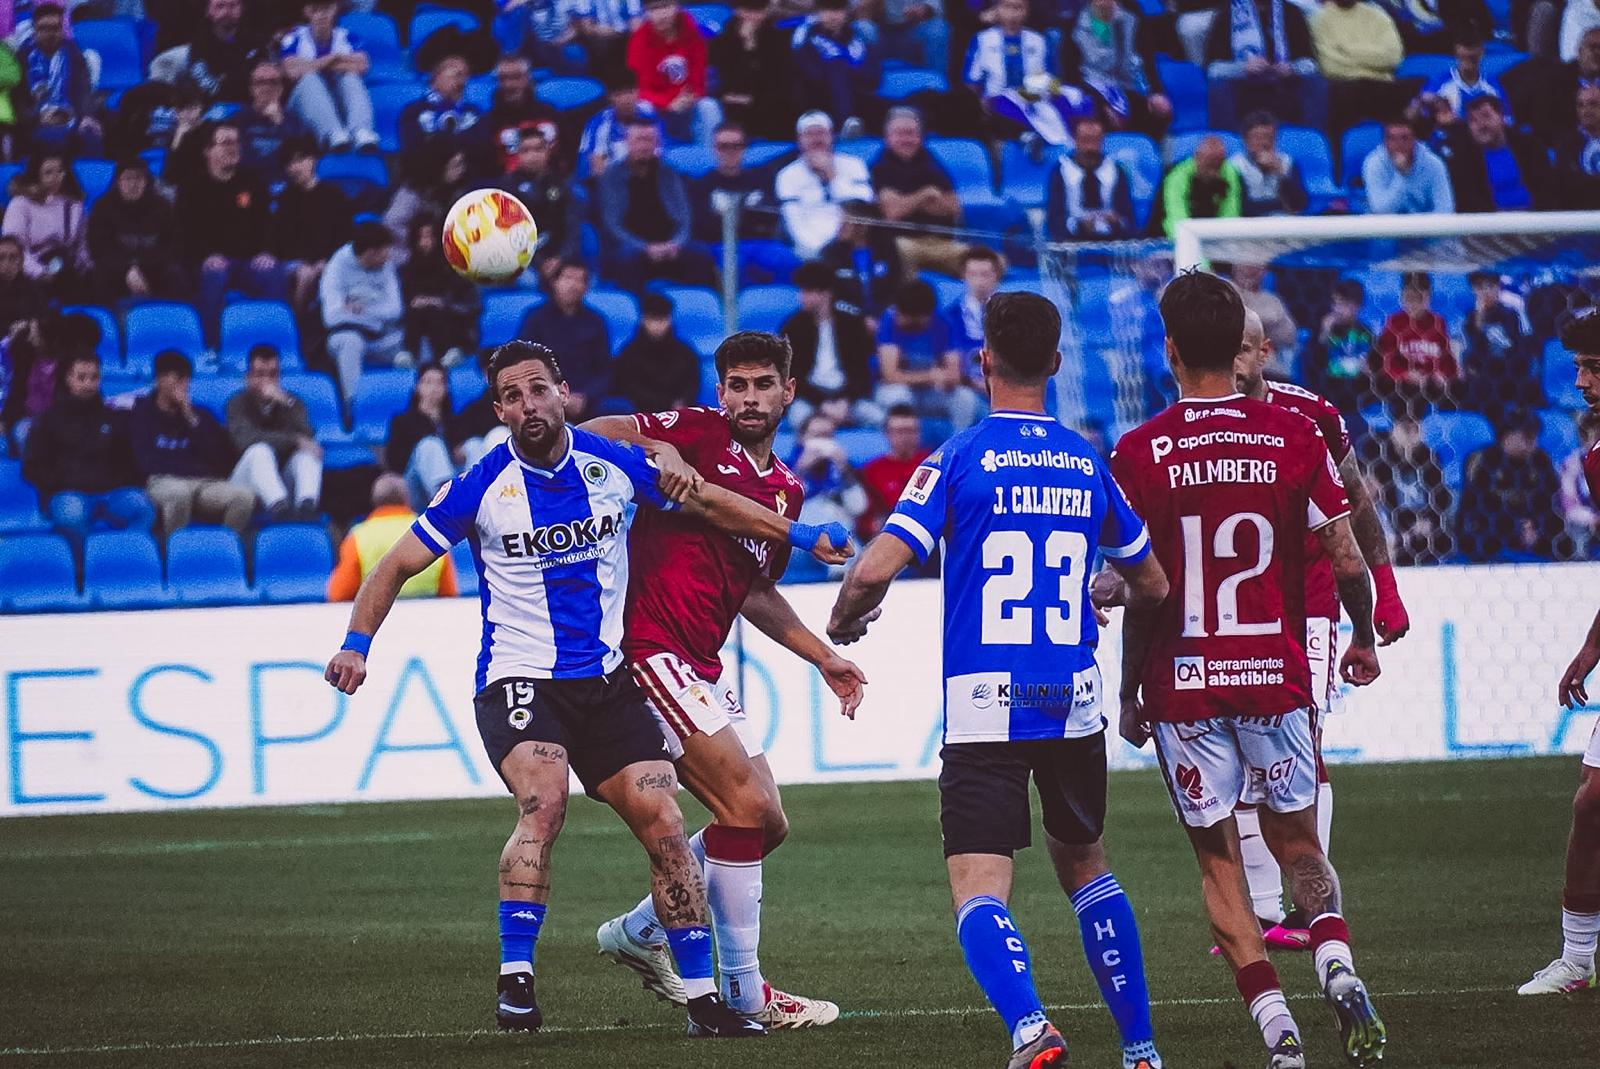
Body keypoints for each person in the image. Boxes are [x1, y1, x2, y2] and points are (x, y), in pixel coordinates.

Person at [322, 339, 851, 1035]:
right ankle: (536, 983)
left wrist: (819, 629)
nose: (528, 406)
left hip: (625, 676)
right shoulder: (493, 481)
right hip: (554, 670)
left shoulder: (746, 481)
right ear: (500, 409)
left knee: (729, 820)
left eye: (539, 390)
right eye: (513, 396)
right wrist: (357, 644)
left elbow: (734, 546)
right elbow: (394, 564)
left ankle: (671, 963)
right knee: (551, 803)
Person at [827, 290, 1169, 1069]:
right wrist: (1103, 588)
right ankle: (1141, 1049)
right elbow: (1151, 582)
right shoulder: (1087, 460)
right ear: (1055, 363)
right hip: (1072, 699)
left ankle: (1030, 1027)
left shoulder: (958, 455)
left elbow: (876, 566)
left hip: (985, 707)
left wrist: (847, 619)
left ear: (983, 361)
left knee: (980, 887)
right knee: (1088, 869)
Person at [1106, 270, 1385, 1069]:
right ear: (1240, 349)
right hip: (1275, 670)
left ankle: (1279, 1034)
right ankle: (1335, 962)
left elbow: (1142, 587)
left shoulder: (1140, 450)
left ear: (1167, 351)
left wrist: (1129, 691)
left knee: (1220, 859)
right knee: (1298, 840)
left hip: (1186, 684)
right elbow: (1349, 559)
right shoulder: (1294, 436)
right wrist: (1360, 634)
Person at [587, 330, 859, 1028]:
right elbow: (591, 429)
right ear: (720, 392)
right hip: (648, 648)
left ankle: (643, 930)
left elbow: (754, 591)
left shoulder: (786, 490)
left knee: (766, 820)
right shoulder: (699, 435)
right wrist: (662, 449)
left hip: (700, 663)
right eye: (735, 384)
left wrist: (822, 654)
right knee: (741, 802)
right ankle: (744, 992)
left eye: (762, 383)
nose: (747, 397)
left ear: (787, 392)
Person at [1224, 307, 1409, 948]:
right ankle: (1262, 911)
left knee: (1302, 746)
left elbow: (1356, 501)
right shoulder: (1194, 425)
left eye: (1243, 350)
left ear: (1265, 351)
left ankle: (1306, 905)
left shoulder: (1314, 416)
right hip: (1232, 612)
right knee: (1239, 761)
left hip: (1307, 604)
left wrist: (1383, 590)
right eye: (1224, 350)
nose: (1234, 362)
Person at [1536, 306, 1600, 995]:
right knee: (1591, 805)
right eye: (1580, 368)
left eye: (1594, 369)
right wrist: (1589, 647)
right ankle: (1577, 960)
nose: (1581, 382)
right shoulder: (1595, 462)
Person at [22, 350, 156, 545]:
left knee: (142, 509)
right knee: (72, 515)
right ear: (68, 379)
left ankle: (122, 562)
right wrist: (58, 483)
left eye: (94, 377)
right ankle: (85, 569)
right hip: (68, 493)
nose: (88, 384)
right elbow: (32, 466)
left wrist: (123, 481)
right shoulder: (48, 420)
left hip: (112, 492)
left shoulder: (114, 417)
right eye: (81, 378)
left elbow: (131, 459)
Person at [177, 122, 287, 344]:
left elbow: (268, 224)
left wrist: (266, 251)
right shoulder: (191, 188)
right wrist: (206, 256)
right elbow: (184, 233)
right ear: (208, 151)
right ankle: (212, 347)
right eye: (225, 143)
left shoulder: (253, 182)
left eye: (236, 142)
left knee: (272, 273)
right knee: (213, 276)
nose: (233, 148)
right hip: (211, 261)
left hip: (248, 261)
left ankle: (275, 344)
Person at [129, 350, 255, 537]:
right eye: (178, 378)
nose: (184, 384)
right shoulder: (141, 414)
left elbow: (219, 456)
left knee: (243, 497)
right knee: (179, 495)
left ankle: (222, 549)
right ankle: (174, 553)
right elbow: (144, 461)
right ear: (160, 380)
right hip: (162, 481)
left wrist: (190, 418)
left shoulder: (200, 415)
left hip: (203, 483)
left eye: (187, 378)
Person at [597, 118, 717, 290]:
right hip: (632, 246)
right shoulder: (611, 177)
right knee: (627, 259)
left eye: (649, 140)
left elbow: (685, 217)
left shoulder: (669, 173)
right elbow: (612, 225)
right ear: (627, 143)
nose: (644, 146)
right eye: (639, 140)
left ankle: (699, 311)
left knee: (701, 255)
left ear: (657, 144)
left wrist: (676, 243)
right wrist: (646, 248)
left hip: (671, 246)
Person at [965, 0, 1094, 147]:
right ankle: (1029, 136)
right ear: (997, 10)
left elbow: (1052, 79)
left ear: (1027, 11)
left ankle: (1078, 140)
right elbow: (972, 82)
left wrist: (1050, 90)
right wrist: (980, 102)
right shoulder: (982, 40)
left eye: (1019, 8)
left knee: (1075, 96)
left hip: (1032, 97)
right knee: (1003, 105)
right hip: (998, 100)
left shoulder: (1039, 40)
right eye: (1007, 7)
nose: (1013, 14)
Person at [226, 346, 323, 522]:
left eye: (272, 374)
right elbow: (245, 440)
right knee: (260, 451)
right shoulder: (236, 403)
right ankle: (281, 512)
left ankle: (307, 508)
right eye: (260, 374)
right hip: (244, 483)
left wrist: (287, 405)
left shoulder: (291, 402)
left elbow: (307, 437)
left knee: (309, 452)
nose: (267, 381)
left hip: (281, 479)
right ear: (249, 377)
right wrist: (293, 440)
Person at [328, 472, 457, 601]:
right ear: (407, 499)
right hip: (424, 616)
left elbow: (339, 594)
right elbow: (449, 592)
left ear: (374, 501)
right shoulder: (431, 531)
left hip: (379, 617)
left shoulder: (358, 537)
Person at [1456, 409, 1563, 562]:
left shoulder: (1541, 460)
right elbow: (1474, 504)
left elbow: (1550, 500)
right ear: (1507, 436)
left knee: (1560, 535)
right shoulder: (1481, 460)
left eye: (1535, 437)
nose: (1534, 443)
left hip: (1535, 528)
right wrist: (1516, 525)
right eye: (1527, 437)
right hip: (1494, 528)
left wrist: (1534, 525)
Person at [870, 107, 965, 278]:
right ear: (887, 137)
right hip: (903, 243)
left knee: (992, 261)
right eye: (900, 133)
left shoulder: (932, 163)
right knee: (900, 251)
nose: (906, 139)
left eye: (911, 133)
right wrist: (925, 195)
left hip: (942, 243)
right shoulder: (880, 167)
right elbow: (892, 212)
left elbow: (954, 208)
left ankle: (975, 304)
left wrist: (908, 202)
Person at [874, 278, 981, 430]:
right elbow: (890, 375)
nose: (899, 318)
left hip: (932, 392)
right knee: (899, 397)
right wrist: (930, 376)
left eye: (904, 316)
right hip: (897, 389)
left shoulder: (943, 322)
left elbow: (953, 374)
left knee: (965, 398)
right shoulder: (889, 320)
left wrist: (947, 379)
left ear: (923, 317)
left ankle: (958, 445)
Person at [1203, 0, 1325, 131]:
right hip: (1242, 89)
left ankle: (1313, 138)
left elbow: (1311, 64)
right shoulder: (1226, 14)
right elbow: (1212, 69)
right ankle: (1228, 142)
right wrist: (1242, 68)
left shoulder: (1291, 13)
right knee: (1218, 85)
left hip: (1284, 86)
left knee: (1316, 81)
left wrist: (1292, 68)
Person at [781, 258, 875, 427]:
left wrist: (845, 401)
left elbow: (860, 371)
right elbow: (792, 375)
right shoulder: (793, 327)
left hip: (847, 398)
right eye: (802, 291)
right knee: (798, 417)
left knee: (878, 417)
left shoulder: (851, 324)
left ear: (826, 293)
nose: (802, 297)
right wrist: (822, 404)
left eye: (809, 291)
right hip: (809, 398)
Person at [1355, 406, 1452, 564]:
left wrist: (1428, 521)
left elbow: (1440, 497)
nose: (1411, 436)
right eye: (1406, 429)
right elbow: (1379, 498)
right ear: (1394, 429)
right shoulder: (1378, 453)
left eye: (1416, 429)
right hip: (1393, 527)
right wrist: (1402, 530)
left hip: (1423, 527)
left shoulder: (1430, 457)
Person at [517, 259, 611, 421]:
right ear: (554, 282)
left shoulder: (596, 321)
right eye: (568, 278)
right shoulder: (535, 319)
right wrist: (556, 394)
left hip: (585, 399)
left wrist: (585, 396)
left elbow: (604, 370)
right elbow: (524, 363)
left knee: (617, 408)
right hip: (545, 394)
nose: (573, 285)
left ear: (586, 287)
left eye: (579, 280)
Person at [280, 0, 379, 153]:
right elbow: (291, 72)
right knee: (309, 79)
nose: (321, 15)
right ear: (307, 12)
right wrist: (334, 58)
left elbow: (362, 66)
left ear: (334, 10)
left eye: (326, 9)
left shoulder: (347, 36)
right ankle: (332, 133)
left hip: (339, 100)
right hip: (303, 105)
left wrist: (309, 64)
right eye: (316, 10)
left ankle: (360, 130)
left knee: (350, 77)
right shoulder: (294, 37)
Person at [321, 221, 405, 402]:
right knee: (350, 342)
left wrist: (360, 310)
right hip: (345, 335)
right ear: (370, 252)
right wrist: (372, 316)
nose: (388, 256)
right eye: (384, 251)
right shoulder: (337, 265)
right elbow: (332, 316)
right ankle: (354, 404)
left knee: (417, 341)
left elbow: (396, 310)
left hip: (383, 336)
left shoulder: (386, 265)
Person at [774, 110, 874, 260]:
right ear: (799, 139)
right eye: (809, 134)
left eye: (821, 133)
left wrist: (831, 175)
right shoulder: (787, 175)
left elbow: (864, 202)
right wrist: (822, 249)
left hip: (852, 240)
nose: (816, 139)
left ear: (831, 136)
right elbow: (793, 222)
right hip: (810, 247)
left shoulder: (854, 164)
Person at [1064, 0, 1172, 135]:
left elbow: (1147, 59)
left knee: (1159, 112)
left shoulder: (1132, 16)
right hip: (1093, 92)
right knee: (1100, 116)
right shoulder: (1073, 25)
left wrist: (1155, 92)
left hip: (1128, 86)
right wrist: (1104, 104)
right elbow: (1071, 75)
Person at [88, 158, 188, 303]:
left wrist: (142, 268)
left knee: (176, 274)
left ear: (147, 181)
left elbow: (173, 246)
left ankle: (178, 320)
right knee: (99, 276)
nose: (133, 184)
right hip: (116, 269)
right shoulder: (103, 207)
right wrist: (127, 269)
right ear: (118, 181)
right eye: (128, 178)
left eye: (139, 178)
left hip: (154, 267)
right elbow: (100, 249)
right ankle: (108, 322)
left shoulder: (163, 207)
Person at [1435, 95, 1552, 212]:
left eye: (1486, 116)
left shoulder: (1529, 148)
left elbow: (1547, 190)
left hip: (1537, 221)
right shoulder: (1465, 161)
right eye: (1473, 120)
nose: (1481, 125)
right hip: (1491, 225)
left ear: (1501, 117)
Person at [273, 139, 352, 311]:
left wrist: (325, 260)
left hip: (329, 259)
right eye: (290, 163)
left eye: (300, 160)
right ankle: (297, 321)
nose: (295, 167)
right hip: (294, 262)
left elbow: (345, 235)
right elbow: (281, 239)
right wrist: (305, 263)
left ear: (313, 160)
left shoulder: (335, 196)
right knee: (305, 274)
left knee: (324, 271)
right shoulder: (285, 198)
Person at [1309, 0, 1406, 133]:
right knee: (1341, 93)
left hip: (1381, 86)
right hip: (1344, 88)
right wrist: (1373, 64)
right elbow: (1330, 66)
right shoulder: (1319, 20)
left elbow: (1392, 58)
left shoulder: (1379, 16)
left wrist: (1345, 49)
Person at [628, 0, 716, 145]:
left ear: (677, 7)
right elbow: (639, 87)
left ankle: (709, 159)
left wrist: (691, 96)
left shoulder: (692, 32)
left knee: (709, 106)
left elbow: (699, 75)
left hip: (687, 99)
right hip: (655, 101)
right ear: (646, 12)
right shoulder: (638, 39)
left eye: (666, 7)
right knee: (643, 108)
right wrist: (668, 103)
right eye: (654, 9)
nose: (661, 15)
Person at [17, 3, 100, 156]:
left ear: (62, 29)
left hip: (70, 116)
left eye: (55, 28)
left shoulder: (73, 53)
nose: (50, 33)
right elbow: (18, 99)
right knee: (50, 137)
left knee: (91, 133)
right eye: (44, 28)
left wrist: (86, 116)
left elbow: (83, 89)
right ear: (34, 30)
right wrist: (37, 118)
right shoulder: (23, 57)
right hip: (36, 120)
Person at [2, 150, 89, 295]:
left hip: (66, 270)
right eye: (49, 173)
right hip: (31, 274)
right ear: (37, 174)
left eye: (60, 171)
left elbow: (81, 246)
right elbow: (14, 249)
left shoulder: (74, 205)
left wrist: (85, 268)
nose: (56, 178)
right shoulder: (20, 204)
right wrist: (41, 274)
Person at [497, 124, 581, 275]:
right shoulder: (507, 187)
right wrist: (539, 262)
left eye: (538, 149)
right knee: (528, 281)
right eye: (526, 151)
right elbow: (508, 233)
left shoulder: (562, 183)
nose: (533, 156)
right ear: (518, 154)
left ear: (547, 151)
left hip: (559, 258)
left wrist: (561, 258)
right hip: (523, 261)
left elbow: (572, 227)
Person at [385, 362, 469, 508]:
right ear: (418, 387)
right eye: (428, 382)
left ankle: (481, 501)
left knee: (473, 445)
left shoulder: (454, 422)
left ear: (446, 388)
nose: (434, 388)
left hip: (454, 480)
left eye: (440, 383)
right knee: (430, 445)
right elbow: (395, 463)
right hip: (413, 485)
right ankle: (447, 506)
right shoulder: (402, 421)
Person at [709, 0, 795, 141]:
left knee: (781, 107)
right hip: (734, 103)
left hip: (769, 101)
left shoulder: (779, 39)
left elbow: (778, 79)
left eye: (759, 10)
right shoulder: (722, 41)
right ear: (738, 10)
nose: (753, 16)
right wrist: (745, 51)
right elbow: (727, 79)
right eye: (748, 10)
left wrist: (751, 47)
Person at [791, 0, 880, 135]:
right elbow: (811, 72)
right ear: (818, 12)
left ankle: (852, 125)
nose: (833, 16)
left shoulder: (858, 37)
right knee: (835, 65)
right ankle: (845, 122)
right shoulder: (805, 35)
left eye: (838, 10)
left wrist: (846, 70)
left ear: (846, 12)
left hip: (857, 91)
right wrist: (838, 63)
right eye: (827, 10)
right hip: (818, 95)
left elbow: (872, 76)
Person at [400, 213, 479, 366]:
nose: (425, 243)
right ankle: (409, 355)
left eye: (429, 237)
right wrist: (417, 302)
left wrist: (442, 302)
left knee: (435, 313)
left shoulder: (457, 266)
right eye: (420, 238)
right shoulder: (409, 268)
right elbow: (405, 300)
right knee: (421, 313)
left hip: (454, 320)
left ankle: (450, 352)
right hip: (420, 319)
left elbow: (470, 304)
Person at [1374, 271, 1458, 409]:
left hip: (1430, 384)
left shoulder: (1438, 322)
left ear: (1428, 298)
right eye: (1408, 298)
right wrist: (1405, 374)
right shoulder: (1394, 322)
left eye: (1418, 298)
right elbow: (1385, 358)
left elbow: (1447, 358)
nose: (1412, 304)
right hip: (1402, 384)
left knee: (1451, 393)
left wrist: (1441, 375)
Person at [1046, 114, 1137, 241]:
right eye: (1085, 140)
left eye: (1095, 141)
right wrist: (1079, 226)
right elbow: (1055, 221)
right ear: (1075, 140)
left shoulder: (1116, 170)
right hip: (1072, 242)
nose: (1090, 148)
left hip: (1111, 241)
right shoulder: (1061, 171)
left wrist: (1116, 222)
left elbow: (1128, 221)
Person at [686, 120, 779, 244]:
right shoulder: (699, 185)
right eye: (723, 146)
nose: (730, 151)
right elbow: (701, 227)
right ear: (714, 149)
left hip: (757, 244)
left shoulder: (762, 178)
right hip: (716, 246)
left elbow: (770, 219)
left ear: (745, 148)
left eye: (736, 145)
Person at [611, 290, 701, 413]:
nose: (658, 325)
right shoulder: (629, 353)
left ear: (670, 320)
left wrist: (682, 402)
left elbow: (692, 384)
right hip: (641, 414)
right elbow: (630, 388)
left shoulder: (685, 352)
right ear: (643, 320)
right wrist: (666, 404)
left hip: (680, 412)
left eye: (662, 319)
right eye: (653, 319)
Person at [398, 48, 487, 173]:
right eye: (456, 75)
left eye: (465, 75)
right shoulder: (414, 111)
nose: (461, 82)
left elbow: (480, 149)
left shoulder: (473, 113)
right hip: (425, 176)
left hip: (466, 177)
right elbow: (412, 149)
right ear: (435, 78)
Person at [1462, 270, 1535, 417]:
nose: (1486, 291)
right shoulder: (1471, 318)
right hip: (1484, 374)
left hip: (1509, 371)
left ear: (1498, 287)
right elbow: (1472, 355)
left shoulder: (1511, 313)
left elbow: (1522, 348)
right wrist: (1479, 324)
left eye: (1490, 286)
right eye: (1480, 287)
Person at [817, 200, 900, 328]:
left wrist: (881, 318)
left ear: (863, 225)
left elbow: (895, 289)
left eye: (846, 222)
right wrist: (861, 319)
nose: (840, 226)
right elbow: (833, 297)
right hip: (846, 323)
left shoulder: (887, 251)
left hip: (885, 322)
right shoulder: (830, 254)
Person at [854, 402, 929, 538]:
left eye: (910, 431)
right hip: (886, 535)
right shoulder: (872, 470)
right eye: (899, 431)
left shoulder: (932, 464)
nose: (905, 437)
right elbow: (865, 516)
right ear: (887, 434)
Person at [233, 59, 312, 185]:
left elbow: (300, 158)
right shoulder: (239, 120)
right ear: (251, 88)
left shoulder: (294, 120)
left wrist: (280, 124)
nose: (266, 87)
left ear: (281, 88)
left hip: (289, 185)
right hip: (252, 184)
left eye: (273, 82)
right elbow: (241, 160)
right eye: (260, 82)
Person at [1305, 278, 1376, 412]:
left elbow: (1374, 364)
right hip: (1329, 389)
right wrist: (1325, 332)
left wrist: (1369, 370)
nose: (1338, 309)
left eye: (1344, 304)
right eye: (1336, 303)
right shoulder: (1323, 327)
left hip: (1358, 391)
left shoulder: (1366, 332)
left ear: (1357, 306)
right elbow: (1313, 364)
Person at [1361, 118, 1454, 214]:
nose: (1399, 144)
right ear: (1385, 142)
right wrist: (1402, 176)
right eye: (1392, 138)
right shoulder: (1374, 163)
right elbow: (1380, 210)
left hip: (1425, 226)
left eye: (1404, 138)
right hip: (1387, 226)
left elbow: (1445, 208)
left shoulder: (1434, 164)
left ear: (1415, 140)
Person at [1156, 134, 1241, 239]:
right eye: (1209, 165)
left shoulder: (1229, 172)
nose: (1213, 172)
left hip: (1213, 236)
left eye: (1218, 165)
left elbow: (1230, 215)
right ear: (1197, 157)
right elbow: (1175, 218)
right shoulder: (1177, 175)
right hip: (1172, 237)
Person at [942, 246, 1003, 390]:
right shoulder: (950, 316)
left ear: (997, 276)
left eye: (985, 275)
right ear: (963, 276)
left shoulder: (1013, 315)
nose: (979, 282)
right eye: (973, 275)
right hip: (967, 386)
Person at [578, 70, 658, 179]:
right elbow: (597, 167)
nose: (626, 100)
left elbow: (660, 151)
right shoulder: (599, 123)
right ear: (610, 98)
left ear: (638, 92)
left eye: (630, 92)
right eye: (619, 94)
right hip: (606, 181)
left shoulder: (649, 113)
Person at [1231, 111, 1308, 217]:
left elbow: (1300, 204)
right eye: (1257, 138)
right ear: (1246, 140)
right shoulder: (1236, 166)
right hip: (1250, 224)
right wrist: (1276, 206)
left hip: (1284, 222)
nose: (1264, 143)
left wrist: (1281, 174)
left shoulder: (1287, 163)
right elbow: (1240, 206)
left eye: (1268, 137)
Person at [187, 0, 264, 105]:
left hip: (253, 106)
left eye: (233, 5)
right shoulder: (200, 46)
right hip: (213, 108)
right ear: (208, 11)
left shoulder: (256, 42)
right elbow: (202, 85)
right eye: (220, 6)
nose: (227, 11)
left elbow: (263, 81)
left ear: (242, 9)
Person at [1231, 263, 1296, 375]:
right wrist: (1266, 321)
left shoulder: (1272, 301)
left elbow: (1289, 336)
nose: (1250, 271)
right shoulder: (1226, 291)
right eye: (1246, 265)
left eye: (1257, 267)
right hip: (1232, 365)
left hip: (1267, 368)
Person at [497, 0, 589, 74]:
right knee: (516, 13)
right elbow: (506, 11)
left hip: (561, 44)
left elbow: (577, 27)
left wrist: (560, 41)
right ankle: (509, 62)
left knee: (575, 52)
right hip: (531, 43)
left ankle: (571, 87)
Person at [1554, 82, 1600, 211]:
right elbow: (1567, 186)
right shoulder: (1566, 146)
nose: (1586, 110)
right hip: (1580, 218)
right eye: (1581, 105)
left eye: (1593, 104)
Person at [573, 0, 644, 73]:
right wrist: (608, 31)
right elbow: (586, 25)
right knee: (599, 43)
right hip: (599, 35)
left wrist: (617, 31)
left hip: (625, 34)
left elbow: (636, 22)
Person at [880, 0, 948, 75]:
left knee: (937, 30)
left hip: (917, 28)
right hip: (883, 29)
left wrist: (924, 9)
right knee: (867, 29)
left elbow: (935, 7)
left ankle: (935, 82)